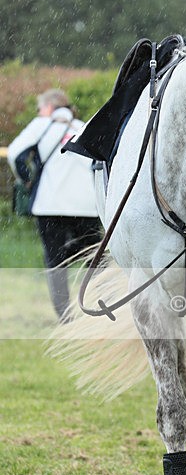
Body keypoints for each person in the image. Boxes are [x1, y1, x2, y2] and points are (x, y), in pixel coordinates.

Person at [8, 89, 101, 321]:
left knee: (54, 259)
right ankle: (100, 307)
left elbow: (15, 154)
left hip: (49, 204)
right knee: (93, 256)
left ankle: (65, 315)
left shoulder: (41, 125)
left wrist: (26, 179)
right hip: (87, 205)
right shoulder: (85, 125)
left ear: (49, 107)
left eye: (40, 108)